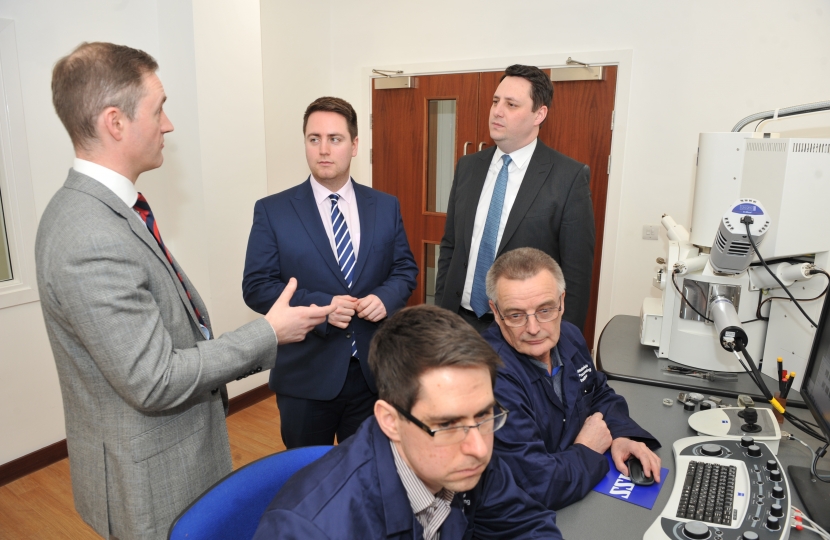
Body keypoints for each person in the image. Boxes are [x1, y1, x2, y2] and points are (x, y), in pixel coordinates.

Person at [37, 42, 333, 540]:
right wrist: (268, 333)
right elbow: (152, 379)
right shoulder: (89, 234)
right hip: (150, 479)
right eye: (159, 110)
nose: (168, 125)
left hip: (170, 455)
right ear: (115, 122)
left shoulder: (107, 212)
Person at [253, 304, 563, 540]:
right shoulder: (308, 530)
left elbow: (529, 526)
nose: (479, 448)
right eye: (448, 425)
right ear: (390, 421)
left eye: (484, 416)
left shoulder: (467, 455)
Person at [242, 97, 418, 448]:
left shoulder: (385, 206)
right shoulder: (273, 211)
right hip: (306, 377)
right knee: (308, 479)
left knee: (371, 474)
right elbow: (257, 286)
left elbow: (404, 268)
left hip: (374, 374)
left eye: (335, 139)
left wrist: (386, 297)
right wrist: (322, 307)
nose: (323, 149)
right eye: (314, 139)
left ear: (354, 145)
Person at [483, 247, 661, 510]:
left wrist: (620, 435)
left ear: (562, 302)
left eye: (545, 310)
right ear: (496, 313)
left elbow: (597, 393)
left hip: (578, 493)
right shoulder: (488, 376)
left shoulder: (569, 336)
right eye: (516, 315)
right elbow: (536, 484)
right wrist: (586, 450)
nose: (533, 329)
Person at [435, 64, 595, 333]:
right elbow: (450, 246)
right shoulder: (468, 167)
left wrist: (562, 341)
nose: (497, 111)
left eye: (511, 104)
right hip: (458, 324)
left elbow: (576, 276)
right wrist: (441, 309)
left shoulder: (568, 178)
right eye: (496, 101)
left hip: (523, 331)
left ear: (539, 114)